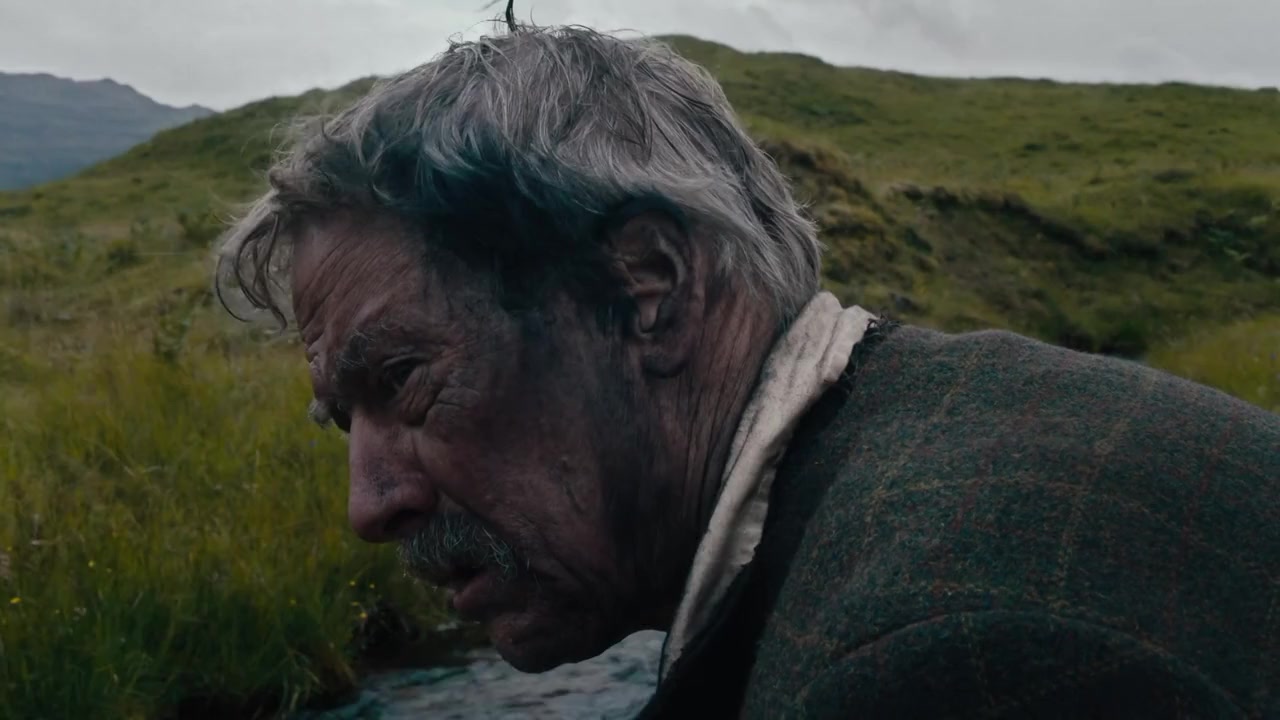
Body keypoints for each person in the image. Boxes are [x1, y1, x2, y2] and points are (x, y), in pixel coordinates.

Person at [215, 23, 1280, 719]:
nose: (369, 505)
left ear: (648, 288)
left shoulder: (936, 669)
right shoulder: (959, 421)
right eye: (342, 422)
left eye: (404, 380)